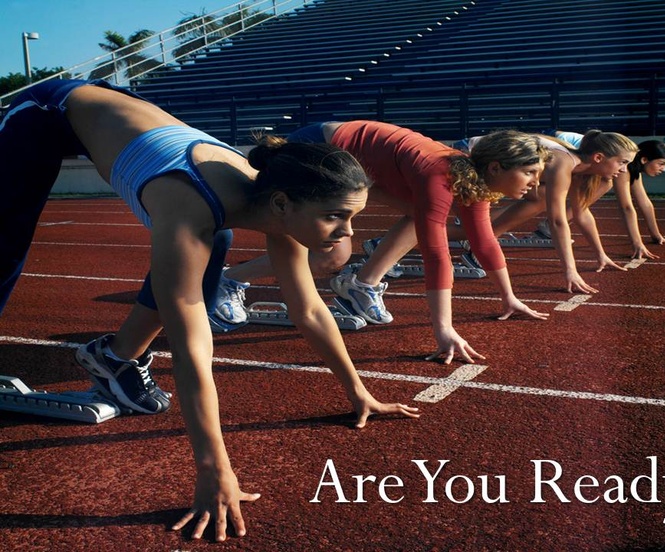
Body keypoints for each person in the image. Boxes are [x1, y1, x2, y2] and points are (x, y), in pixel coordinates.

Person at [0, 80, 419, 541]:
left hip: (121, 112)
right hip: (50, 112)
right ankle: (115, 357)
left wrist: (358, 392)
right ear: (282, 204)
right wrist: (214, 468)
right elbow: (189, 347)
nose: (346, 233)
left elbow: (311, 311)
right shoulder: (190, 205)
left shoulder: (279, 202)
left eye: (354, 218)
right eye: (336, 216)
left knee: (212, 239)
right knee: (5, 244)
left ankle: (113, 358)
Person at [225, 122, 550, 365]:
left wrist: (509, 298)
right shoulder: (438, 176)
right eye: (530, 172)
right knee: (333, 256)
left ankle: (362, 284)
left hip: (361, 159)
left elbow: (484, 241)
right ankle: (230, 279)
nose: (536, 183)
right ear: (496, 168)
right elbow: (436, 254)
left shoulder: (471, 179)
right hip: (321, 149)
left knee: (415, 215)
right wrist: (443, 329)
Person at [479, 130, 639, 293]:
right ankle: (478, 241)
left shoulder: (578, 170)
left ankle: (482, 238)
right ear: (598, 157)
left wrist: (600, 254)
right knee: (469, 230)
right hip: (470, 156)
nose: (625, 170)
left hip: (491, 167)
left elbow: (582, 213)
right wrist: (570, 270)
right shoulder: (564, 163)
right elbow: (557, 221)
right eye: (623, 162)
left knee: (540, 198)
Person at [533, 134, 665, 260]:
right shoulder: (615, 165)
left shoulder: (625, 165)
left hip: (574, 150)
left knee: (584, 195)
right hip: (561, 148)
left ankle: (547, 224)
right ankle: (546, 226)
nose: (664, 169)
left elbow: (644, 202)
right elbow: (626, 207)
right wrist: (637, 243)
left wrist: (656, 235)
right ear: (644, 159)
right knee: (603, 184)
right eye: (661, 164)